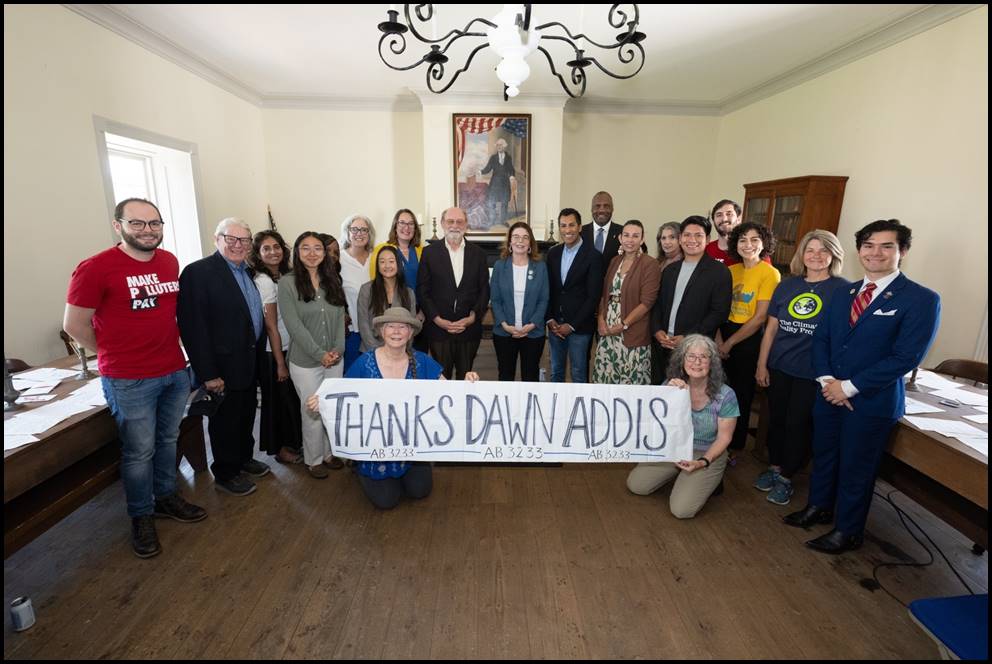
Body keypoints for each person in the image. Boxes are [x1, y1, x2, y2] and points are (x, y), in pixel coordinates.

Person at [785, 220, 940, 554]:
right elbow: (822, 339)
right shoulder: (844, 292)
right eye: (869, 245)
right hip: (828, 393)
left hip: (871, 401)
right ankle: (819, 506)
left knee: (857, 466)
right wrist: (828, 382)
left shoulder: (921, 299)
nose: (876, 253)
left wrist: (850, 387)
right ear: (859, 251)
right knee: (825, 454)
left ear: (903, 252)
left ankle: (848, 530)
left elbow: (905, 357)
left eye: (887, 246)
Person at [64, 197, 206, 558]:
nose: (147, 230)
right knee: (138, 451)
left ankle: (166, 497)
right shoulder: (95, 268)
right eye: (138, 223)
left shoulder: (169, 261)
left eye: (154, 223)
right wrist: (113, 352)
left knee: (167, 440)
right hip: (128, 379)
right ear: (119, 226)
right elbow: (74, 326)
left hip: (174, 370)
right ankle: (141, 515)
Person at [306, 307, 479, 509]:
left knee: (420, 491)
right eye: (390, 326)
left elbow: (449, 393)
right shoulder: (364, 363)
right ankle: (359, 469)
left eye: (403, 327)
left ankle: (406, 473)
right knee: (386, 501)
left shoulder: (422, 361)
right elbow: (343, 393)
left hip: (412, 447)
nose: (396, 331)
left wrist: (468, 384)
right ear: (381, 331)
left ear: (410, 333)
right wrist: (323, 400)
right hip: (376, 449)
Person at [754, 231, 849, 505]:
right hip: (780, 365)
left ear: (833, 255)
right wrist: (762, 364)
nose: (816, 256)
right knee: (777, 421)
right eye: (810, 250)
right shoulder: (786, 285)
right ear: (801, 254)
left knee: (799, 424)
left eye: (823, 250)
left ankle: (787, 477)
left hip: (814, 373)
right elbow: (770, 330)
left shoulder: (843, 290)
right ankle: (774, 467)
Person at [178, 217, 270, 497]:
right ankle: (227, 472)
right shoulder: (198, 273)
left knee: (244, 415)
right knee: (224, 422)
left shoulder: (247, 272)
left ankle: (243, 457)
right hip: (221, 367)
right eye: (231, 239)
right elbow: (193, 327)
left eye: (244, 240)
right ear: (217, 239)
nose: (238, 245)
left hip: (247, 360)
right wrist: (208, 373)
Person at [626, 335, 740, 518]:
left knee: (681, 510)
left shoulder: (725, 395)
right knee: (637, 486)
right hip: (674, 448)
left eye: (704, 357)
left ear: (712, 362)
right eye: (691, 356)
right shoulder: (671, 386)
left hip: (705, 452)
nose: (697, 362)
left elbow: (724, 438)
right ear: (682, 360)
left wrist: (703, 462)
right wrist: (668, 395)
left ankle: (709, 474)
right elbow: (656, 424)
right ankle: (679, 473)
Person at [278, 232, 348, 479]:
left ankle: (330, 454)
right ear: (296, 252)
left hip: (334, 358)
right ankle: (314, 459)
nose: (311, 253)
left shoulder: (332, 279)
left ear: (324, 252)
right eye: (305, 248)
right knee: (312, 410)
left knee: (331, 408)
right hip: (306, 361)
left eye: (317, 248)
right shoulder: (287, 283)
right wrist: (320, 355)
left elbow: (340, 317)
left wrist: (338, 349)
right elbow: (293, 326)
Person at [716, 222, 781, 460]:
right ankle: (714, 439)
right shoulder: (730, 271)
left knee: (740, 394)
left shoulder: (770, 273)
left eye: (754, 239)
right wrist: (719, 339)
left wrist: (729, 343)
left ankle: (734, 446)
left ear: (764, 243)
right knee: (718, 391)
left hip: (748, 337)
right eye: (743, 240)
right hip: (723, 332)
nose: (748, 245)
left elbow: (760, 317)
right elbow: (718, 309)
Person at [651, 215, 733, 386]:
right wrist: (657, 330)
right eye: (687, 235)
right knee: (663, 392)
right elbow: (658, 305)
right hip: (663, 345)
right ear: (681, 238)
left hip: (696, 349)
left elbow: (719, 312)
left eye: (698, 235)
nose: (692, 240)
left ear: (708, 239)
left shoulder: (719, 272)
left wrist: (688, 337)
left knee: (691, 398)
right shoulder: (670, 270)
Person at [249, 230, 304, 465]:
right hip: (274, 351)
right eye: (266, 248)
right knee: (277, 403)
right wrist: (280, 364)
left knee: (291, 400)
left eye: (277, 247)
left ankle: (294, 442)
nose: (273, 252)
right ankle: (279, 448)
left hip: (291, 346)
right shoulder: (263, 282)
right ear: (258, 254)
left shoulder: (285, 276)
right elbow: (271, 326)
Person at [417, 206, 490, 379]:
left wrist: (472, 318)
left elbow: (484, 290)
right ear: (443, 224)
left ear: (466, 225)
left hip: (469, 330)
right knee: (442, 378)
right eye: (450, 221)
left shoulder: (479, 254)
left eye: (459, 221)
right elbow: (423, 290)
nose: (455, 225)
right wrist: (437, 319)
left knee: (466, 379)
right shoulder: (429, 253)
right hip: (438, 330)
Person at [592, 220, 661, 385]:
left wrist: (624, 324)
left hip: (633, 332)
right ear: (620, 238)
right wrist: (600, 318)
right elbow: (604, 294)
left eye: (635, 236)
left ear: (642, 239)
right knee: (605, 382)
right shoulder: (614, 261)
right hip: (608, 332)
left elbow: (647, 302)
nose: (630, 240)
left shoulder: (650, 264)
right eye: (627, 235)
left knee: (631, 386)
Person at [545, 208, 604, 383]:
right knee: (556, 372)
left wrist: (571, 325)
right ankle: (557, 410)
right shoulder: (553, 253)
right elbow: (548, 289)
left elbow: (593, 296)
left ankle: (579, 410)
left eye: (571, 225)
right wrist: (549, 319)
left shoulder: (593, 256)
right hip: (555, 326)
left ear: (579, 227)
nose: (567, 230)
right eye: (563, 226)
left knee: (578, 373)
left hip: (580, 327)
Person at [490, 222, 549, 382]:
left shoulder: (540, 267)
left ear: (530, 243)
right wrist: (504, 325)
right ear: (510, 242)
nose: (520, 241)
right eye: (516, 237)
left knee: (530, 377)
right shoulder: (500, 266)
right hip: (504, 332)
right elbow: (495, 300)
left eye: (525, 237)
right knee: (505, 376)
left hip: (532, 333)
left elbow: (543, 300)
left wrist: (532, 324)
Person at [369, 209, 427, 351]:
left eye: (411, 224)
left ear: (416, 228)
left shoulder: (422, 250)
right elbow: (375, 282)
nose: (406, 227)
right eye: (402, 223)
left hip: (417, 312)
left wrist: (423, 311)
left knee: (414, 355)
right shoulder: (381, 250)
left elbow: (427, 284)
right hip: (390, 311)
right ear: (395, 225)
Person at [357, 245, 417, 352]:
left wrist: (400, 350)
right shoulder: (366, 289)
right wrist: (379, 352)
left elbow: (411, 327)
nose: (387, 265)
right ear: (377, 265)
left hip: (401, 351)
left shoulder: (408, 293)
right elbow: (363, 325)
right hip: (371, 350)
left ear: (398, 264)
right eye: (382, 261)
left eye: (391, 261)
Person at [339, 214, 375, 372]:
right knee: (352, 374)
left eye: (364, 230)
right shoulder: (339, 258)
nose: (359, 233)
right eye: (354, 229)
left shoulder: (376, 257)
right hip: (352, 331)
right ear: (347, 232)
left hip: (376, 329)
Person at [480, 137, 516, 227]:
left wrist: (511, 176)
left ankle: (503, 221)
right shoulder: (493, 157)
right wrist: (480, 171)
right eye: (497, 145)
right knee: (492, 202)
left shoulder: (508, 157)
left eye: (500, 145)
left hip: (504, 183)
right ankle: (492, 220)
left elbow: (511, 168)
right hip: (495, 183)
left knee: (504, 203)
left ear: (504, 146)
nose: (499, 147)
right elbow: (488, 168)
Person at [580, 191, 622, 258]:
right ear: (591, 209)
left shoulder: (623, 233)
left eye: (606, 206)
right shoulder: (580, 233)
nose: (601, 210)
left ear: (612, 209)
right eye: (597, 206)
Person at [705, 199, 743, 265]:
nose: (724, 219)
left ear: (738, 219)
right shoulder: (705, 249)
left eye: (729, 214)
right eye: (719, 215)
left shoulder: (748, 249)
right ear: (713, 220)